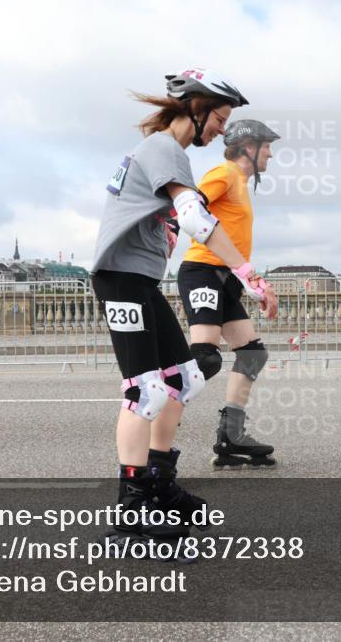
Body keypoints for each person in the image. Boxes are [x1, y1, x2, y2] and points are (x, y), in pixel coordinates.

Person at [90, 69, 276, 548]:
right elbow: (196, 216)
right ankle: (132, 507)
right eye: (220, 118)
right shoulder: (163, 148)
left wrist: (165, 232)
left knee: (185, 377)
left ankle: (157, 479)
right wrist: (247, 275)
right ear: (195, 106)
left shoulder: (162, 153)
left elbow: (168, 216)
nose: (220, 131)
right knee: (144, 391)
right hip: (120, 280)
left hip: (141, 280)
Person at [177, 119, 282, 468]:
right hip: (202, 272)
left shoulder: (240, 183)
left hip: (226, 279)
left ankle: (230, 436)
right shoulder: (223, 173)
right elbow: (192, 208)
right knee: (204, 359)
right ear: (248, 147)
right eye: (266, 146)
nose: (270, 153)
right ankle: (150, 421)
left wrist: (252, 281)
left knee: (253, 355)